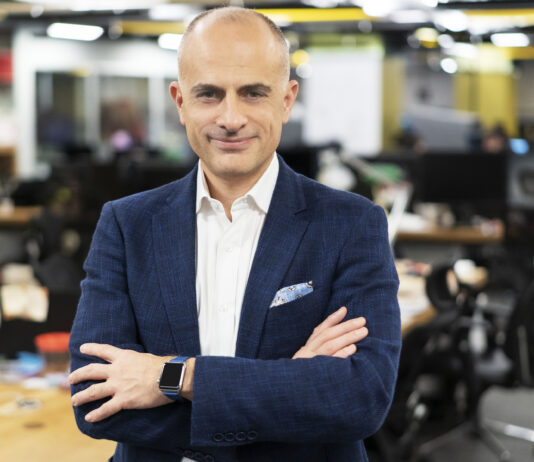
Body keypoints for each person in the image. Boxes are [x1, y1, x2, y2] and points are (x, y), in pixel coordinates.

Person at [68, 7, 401, 462]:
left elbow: (361, 398)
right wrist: (289, 383)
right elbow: (95, 401)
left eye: (253, 93)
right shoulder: (127, 225)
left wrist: (174, 379)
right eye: (208, 94)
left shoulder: (351, 224)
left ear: (286, 100)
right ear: (180, 102)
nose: (230, 117)